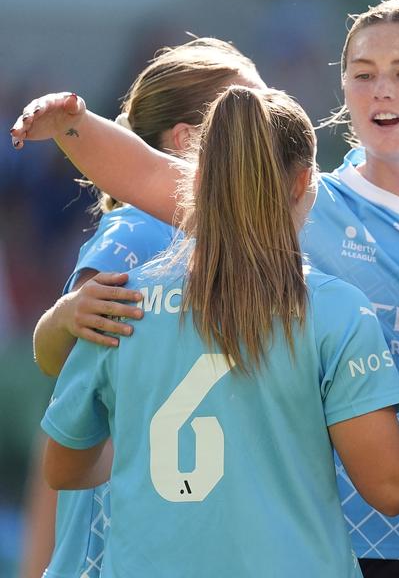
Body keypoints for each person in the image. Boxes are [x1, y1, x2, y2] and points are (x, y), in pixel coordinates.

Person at [14, 86, 399, 577]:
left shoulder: (118, 301)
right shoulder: (331, 310)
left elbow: (64, 468)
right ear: (307, 181)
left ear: (197, 182)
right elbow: (391, 487)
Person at [25, 37, 265, 578]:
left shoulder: (244, 232)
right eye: (247, 108)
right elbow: (69, 376)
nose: (265, 126)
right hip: (130, 526)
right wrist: (63, 318)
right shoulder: (140, 228)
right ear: (186, 141)